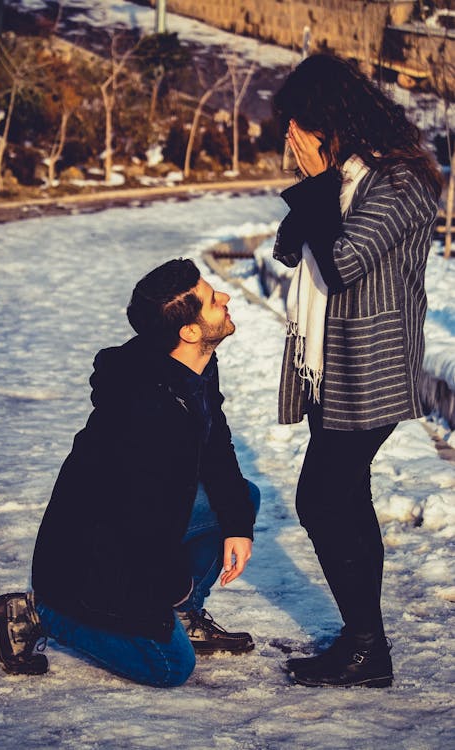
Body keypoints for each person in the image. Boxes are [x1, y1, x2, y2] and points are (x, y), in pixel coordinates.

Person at [0, 258, 260, 687]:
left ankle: (183, 618)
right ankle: (38, 613)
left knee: (241, 497)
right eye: (211, 300)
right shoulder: (145, 410)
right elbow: (133, 525)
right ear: (187, 332)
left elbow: (216, 447)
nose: (225, 299)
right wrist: (170, 589)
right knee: (170, 669)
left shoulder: (193, 369)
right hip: (93, 555)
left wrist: (238, 525)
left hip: (138, 530)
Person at [272, 54, 441, 688]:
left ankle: (368, 647)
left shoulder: (398, 185)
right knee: (343, 496)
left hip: (369, 367)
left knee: (321, 497)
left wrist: (315, 189)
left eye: (299, 126)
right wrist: (316, 186)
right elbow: (292, 247)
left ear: (332, 121)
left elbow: (340, 264)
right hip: (328, 364)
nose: (291, 139)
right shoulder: (345, 178)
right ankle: (362, 643)